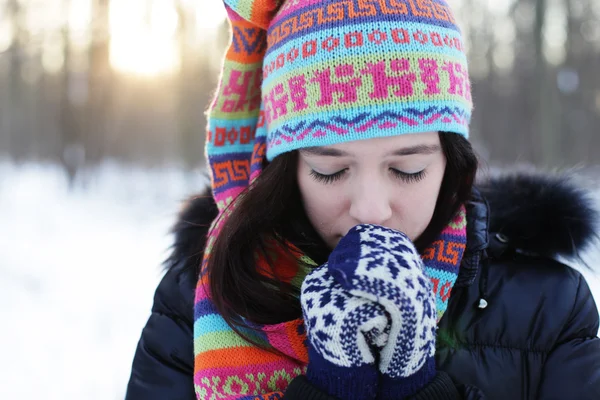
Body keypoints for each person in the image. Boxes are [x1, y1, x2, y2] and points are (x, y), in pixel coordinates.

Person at [125, 0, 600, 399]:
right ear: (284, 169)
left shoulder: (548, 314)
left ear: (451, 162)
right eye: (330, 171)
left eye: (407, 169)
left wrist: (417, 386)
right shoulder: (195, 304)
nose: (371, 209)